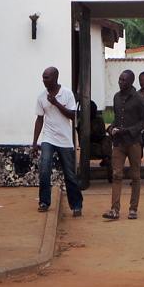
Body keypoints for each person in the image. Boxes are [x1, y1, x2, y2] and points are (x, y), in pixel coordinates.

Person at [31, 66, 84, 217]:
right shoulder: (41, 97)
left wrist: (56, 103)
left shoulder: (66, 94)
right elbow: (39, 119)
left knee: (70, 174)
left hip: (65, 140)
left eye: (46, 77)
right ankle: (44, 201)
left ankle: (76, 205)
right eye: (43, 77)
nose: (43, 80)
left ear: (55, 78)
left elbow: (72, 116)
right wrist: (35, 142)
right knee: (44, 169)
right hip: (48, 138)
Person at [103, 69, 144, 220]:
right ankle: (114, 210)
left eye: (123, 80)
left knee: (135, 176)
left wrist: (130, 130)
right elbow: (117, 118)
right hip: (118, 143)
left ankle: (133, 209)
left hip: (134, 143)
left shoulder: (138, 99)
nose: (120, 82)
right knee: (116, 174)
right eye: (119, 79)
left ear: (130, 82)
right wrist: (111, 128)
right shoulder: (116, 97)